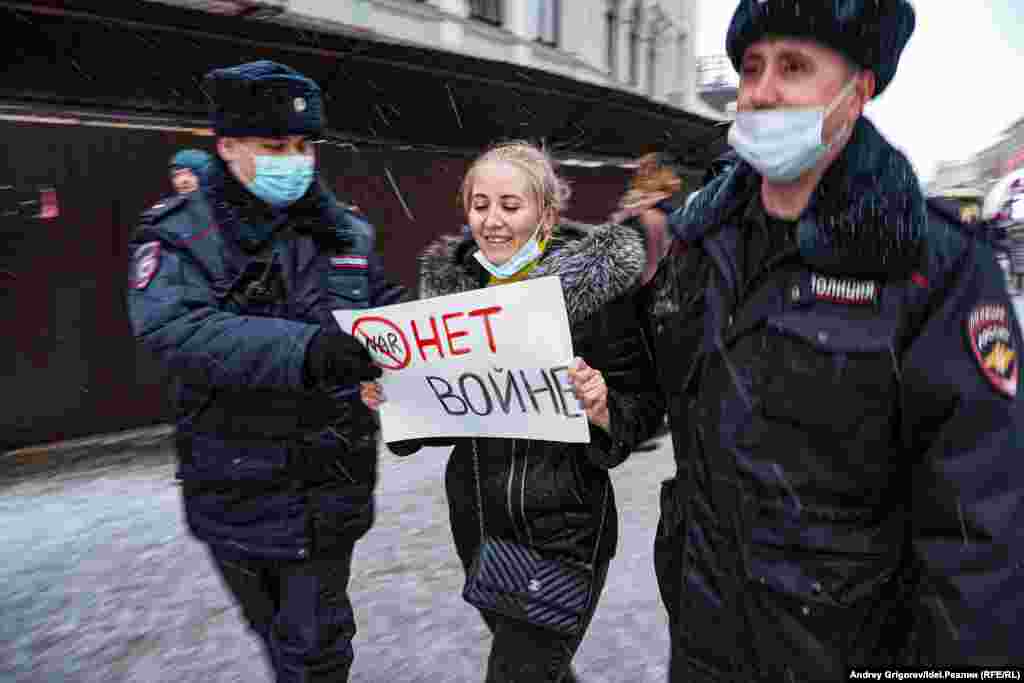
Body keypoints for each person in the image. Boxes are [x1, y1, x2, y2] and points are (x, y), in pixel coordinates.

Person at [640, 1, 1024, 679]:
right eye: (751, 66)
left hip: (845, 654)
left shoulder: (937, 267)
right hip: (703, 644)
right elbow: (645, 387)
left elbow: (979, 533)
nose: (759, 90)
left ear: (859, 90)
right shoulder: (700, 242)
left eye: (793, 66)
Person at [126, 60, 406, 683]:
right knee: (280, 636)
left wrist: (419, 323)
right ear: (226, 146)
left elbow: (381, 304)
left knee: (317, 647)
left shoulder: (345, 230)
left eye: (305, 145)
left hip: (332, 478)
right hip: (236, 483)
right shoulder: (182, 235)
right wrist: (310, 351)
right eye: (275, 145)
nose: (294, 159)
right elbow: (177, 329)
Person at [361, 141, 665, 683]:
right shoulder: (450, 296)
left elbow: (641, 409)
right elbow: (428, 423)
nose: (492, 221)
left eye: (510, 205)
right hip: (478, 525)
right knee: (538, 669)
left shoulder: (597, 294)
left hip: (565, 529)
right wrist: (394, 397)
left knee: (518, 673)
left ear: (546, 213)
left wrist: (601, 407)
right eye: (480, 205)